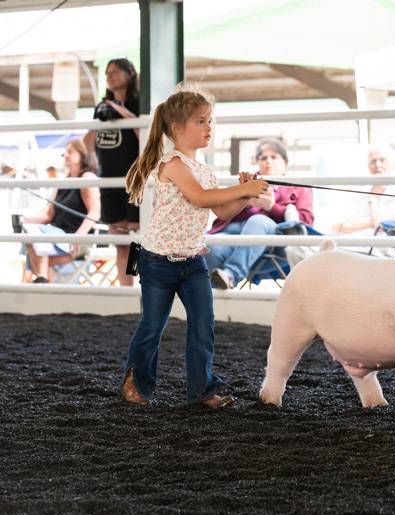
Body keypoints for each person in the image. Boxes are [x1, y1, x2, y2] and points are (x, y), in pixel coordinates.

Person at [120, 85, 268, 408]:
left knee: (204, 324)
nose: (208, 128)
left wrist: (244, 193)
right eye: (200, 122)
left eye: (210, 121)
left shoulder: (204, 170)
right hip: (158, 262)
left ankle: (202, 390)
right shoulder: (173, 164)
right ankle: (136, 380)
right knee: (152, 326)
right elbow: (202, 198)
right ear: (176, 129)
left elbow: (222, 212)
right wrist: (242, 188)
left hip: (193, 261)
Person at [206, 137, 314, 289]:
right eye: (263, 158)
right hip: (233, 233)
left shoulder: (299, 187)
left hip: (272, 239)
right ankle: (212, 302)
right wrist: (244, 202)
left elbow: (306, 220)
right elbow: (223, 211)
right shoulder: (247, 183)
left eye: (274, 157)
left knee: (258, 220)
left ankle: (231, 274)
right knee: (212, 247)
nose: (268, 161)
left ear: (285, 162)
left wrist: (272, 207)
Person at [83, 58, 141, 287]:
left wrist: (121, 112)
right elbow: (89, 139)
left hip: (133, 179)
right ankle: (125, 289)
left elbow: (143, 135)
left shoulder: (138, 104)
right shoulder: (102, 107)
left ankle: (137, 284)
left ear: (130, 74)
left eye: (116, 71)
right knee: (119, 239)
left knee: (137, 237)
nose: (110, 75)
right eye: (108, 72)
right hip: (108, 179)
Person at [22, 139, 101, 283]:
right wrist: (23, 220)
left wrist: (78, 236)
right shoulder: (63, 182)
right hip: (55, 238)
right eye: (65, 152)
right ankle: (43, 284)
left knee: (34, 252)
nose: (65, 155)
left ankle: (40, 286)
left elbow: (95, 212)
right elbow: (48, 215)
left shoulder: (87, 178)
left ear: (82, 154)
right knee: (31, 240)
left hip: (74, 238)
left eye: (70, 152)